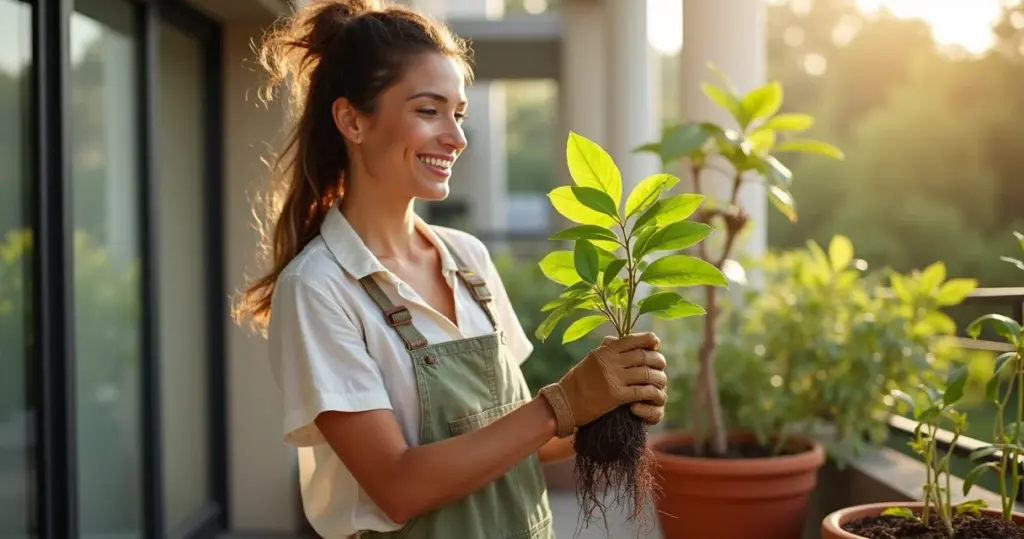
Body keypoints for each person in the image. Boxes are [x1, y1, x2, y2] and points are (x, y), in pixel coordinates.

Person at [232, 1, 668, 538]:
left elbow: (516, 440)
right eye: (428, 110)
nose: (456, 137)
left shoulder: (468, 261)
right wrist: (562, 402)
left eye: (458, 113)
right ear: (351, 120)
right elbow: (397, 487)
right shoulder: (320, 288)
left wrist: (608, 405)